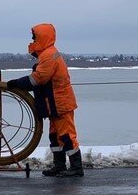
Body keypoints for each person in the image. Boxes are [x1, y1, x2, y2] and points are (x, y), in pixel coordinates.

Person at [6, 23, 83, 177]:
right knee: (55, 136)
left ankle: (76, 168)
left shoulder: (49, 56)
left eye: (34, 37)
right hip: (55, 104)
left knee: (67, 136)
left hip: (60, 104)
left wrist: (17, 83)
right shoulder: (47, 54)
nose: (32, 40)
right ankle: (59, 165)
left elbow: (38, 78)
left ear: (42, 37)